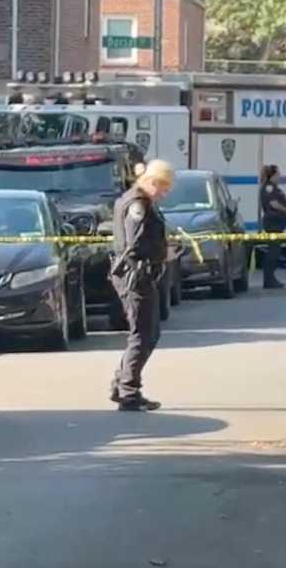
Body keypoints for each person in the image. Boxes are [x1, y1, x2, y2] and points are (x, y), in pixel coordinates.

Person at [109, 159, 175, 412]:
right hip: (136, 275)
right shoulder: (138, 203)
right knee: (144, 333)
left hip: (136, 274)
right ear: (152, 181)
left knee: (147, 332)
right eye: (163, 187)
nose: (164, 193)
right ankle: (128, 391)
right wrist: (162, 254)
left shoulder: (136, 200)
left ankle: (122, 384)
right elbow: (134, 243)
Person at [259, 165, 286, 289]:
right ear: (273, 175)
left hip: (277, 224)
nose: (280, 176)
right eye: (278, 174)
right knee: (273, 252)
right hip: (272, 224)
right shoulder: (269, 187)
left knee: (275, 250)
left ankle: (270, 278)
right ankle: (268, 279)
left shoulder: (274, 187)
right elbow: (274, 204)